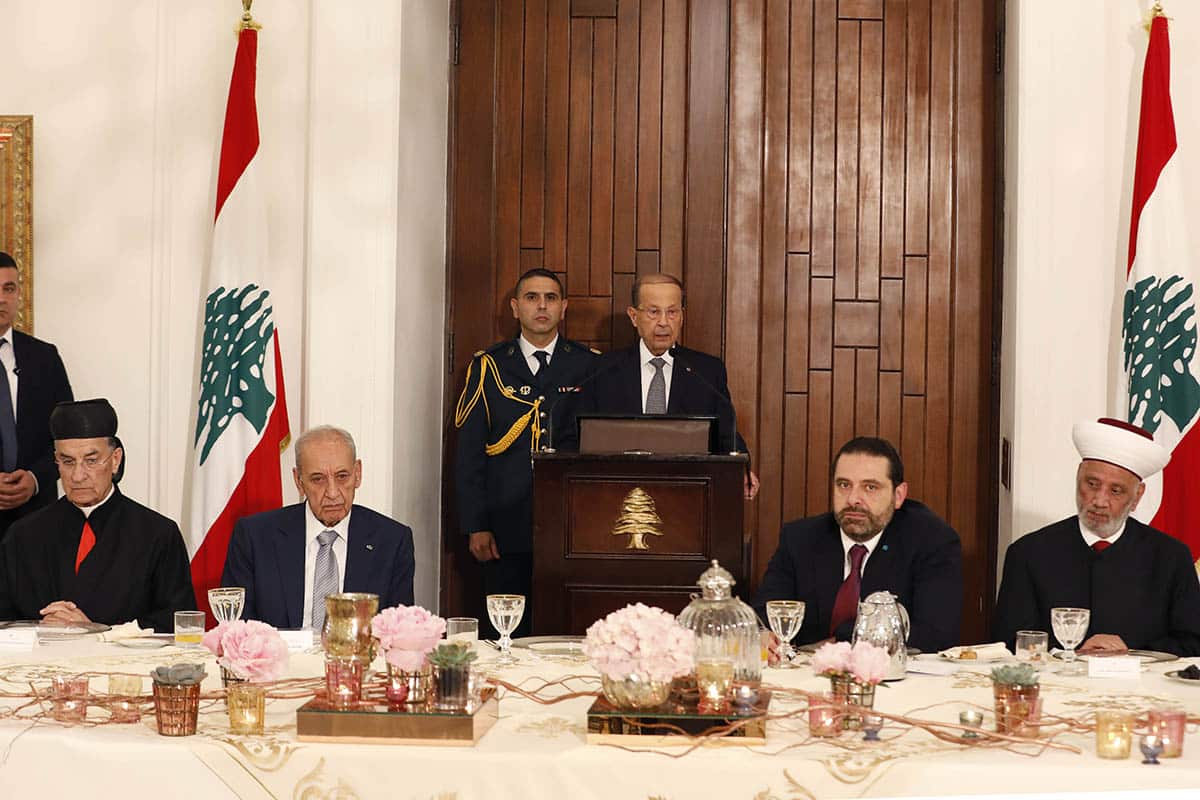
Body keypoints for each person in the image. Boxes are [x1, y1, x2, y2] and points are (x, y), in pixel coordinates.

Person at [454, 268, 596, 636]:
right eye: (532, 298)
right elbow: (469, 454)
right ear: (515, 308)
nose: (542, 306)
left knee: (566, 632)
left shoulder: (590, 365)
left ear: (564, 307)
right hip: (504, 528)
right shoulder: (489, 367)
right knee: (506, 633)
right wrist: (476, 525)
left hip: (573, 526)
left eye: (550, 298)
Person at [993, 418, 1200, 656]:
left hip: (1140, 689)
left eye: (1116, 490)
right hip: (1057, 688)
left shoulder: (1171, 557)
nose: (1099, 501)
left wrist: (1130, 653)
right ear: (1078, 478)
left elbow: (1192, 643)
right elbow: (1008, 642)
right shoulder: (1028, 552)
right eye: (1092, 484)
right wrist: (1071, 654)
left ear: (1137, 497)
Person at [754, 436, 962, 653]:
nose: (853, 499)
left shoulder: (932, 542)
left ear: (898, 496)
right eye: (844, 485)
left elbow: (936, 634)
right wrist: (763, 635)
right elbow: (764, 613)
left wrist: (842, 640)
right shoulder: (800, 538)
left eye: (870, 487)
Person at [0, 399, 194, 631]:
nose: (78, 475)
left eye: (91, 461)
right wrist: (43, 629)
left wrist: (96, 631)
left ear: (115, 460)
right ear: (56, 462)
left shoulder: (157, 534)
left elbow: (178, 624)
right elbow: (5, 622)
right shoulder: (23, 535)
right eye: (67, 462)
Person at [568, 273, 759, 498]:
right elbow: (579, 434)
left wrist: (742, 467)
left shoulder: (706, 370)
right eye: (653, 311)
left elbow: (726, 432)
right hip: (616, 493)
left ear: (682, 316)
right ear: (633, 316)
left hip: (687, 495)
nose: (663, 322)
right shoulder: (602, 369)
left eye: (672, 312)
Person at [222, 425, 415, 629]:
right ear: (299, 481)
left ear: (357, 473)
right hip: (281, 659)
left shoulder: (392, 541)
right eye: (318, 479)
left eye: (342, 476)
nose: (332, 492)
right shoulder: (255, 537)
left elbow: (398, 634)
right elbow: (238, 629)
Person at [0, 252, 74, 542]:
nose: (2, 298)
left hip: (35, 519)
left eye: (9, 288)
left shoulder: (45, 357)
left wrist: (34, 478)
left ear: (19, 293)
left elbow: (67, 435)